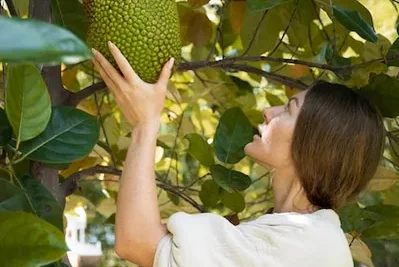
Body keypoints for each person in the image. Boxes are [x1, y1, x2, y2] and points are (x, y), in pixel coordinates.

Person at [92, 41, 385, 267]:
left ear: (318, 143)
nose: (268, 111)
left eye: (288, 109)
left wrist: (145, 124)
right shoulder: (305, 238)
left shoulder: (303, 241)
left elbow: (137, 242)